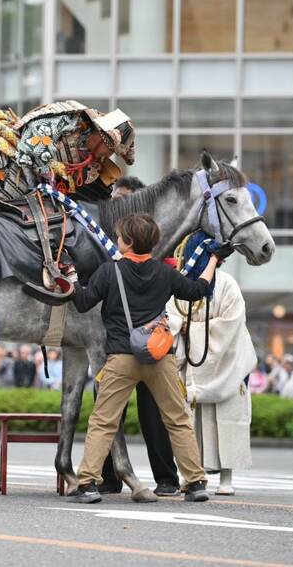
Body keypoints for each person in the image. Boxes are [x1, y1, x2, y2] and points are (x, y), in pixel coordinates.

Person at [66, 213, 227, 504]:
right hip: (159, 356)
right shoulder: (164, 273)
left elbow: (82, 302)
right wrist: (213, 260)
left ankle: (88, 483)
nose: (117, 240)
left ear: (127, 243)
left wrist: (72, 277)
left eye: (119, 237)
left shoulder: (108, 272)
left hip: (121, 358)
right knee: (177, 419)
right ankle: (196, 482)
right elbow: (197, 290)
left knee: (104, 421)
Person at [168, 270, 255, 496]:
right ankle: (189, 474)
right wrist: (184, 327)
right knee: (189, 420)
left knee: (228, 419)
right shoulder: (181, 278)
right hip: (190, 360)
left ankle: (227, 476)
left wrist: (193, 328)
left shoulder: (228, 284)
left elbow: (232, 324)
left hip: (228, 361)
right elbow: (171, 317)